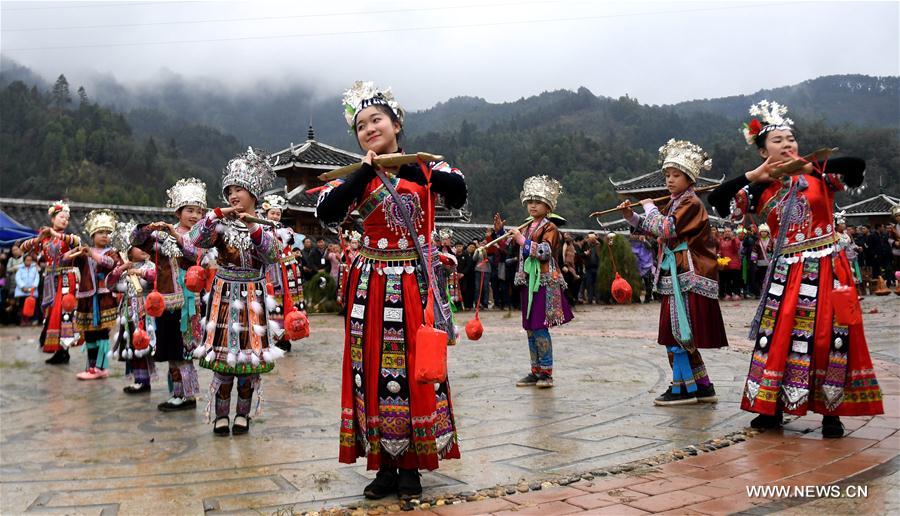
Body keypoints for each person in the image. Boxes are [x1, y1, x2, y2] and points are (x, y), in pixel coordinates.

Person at [314, 81, 466, 500]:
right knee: (371, 370)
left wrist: (418, 171)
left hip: (413, 282)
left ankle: (413, 465)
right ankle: (382, 464)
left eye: (376, 119)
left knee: (414, 367)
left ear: (397, 123)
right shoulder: (356, 178)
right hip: (370, 286)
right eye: (361, 125)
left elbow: (459, 190)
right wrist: (364, 171)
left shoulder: (426, 168)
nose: (369, 128)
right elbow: (324, 210)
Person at [709, 100, 883, 436]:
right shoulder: (760, 190)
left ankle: (830, 412)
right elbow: (718, 200)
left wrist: (807, 166)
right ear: (763, 151)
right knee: (777, 339)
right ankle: (771, 407)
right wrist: (753, 177)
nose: (787, 144)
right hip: (785, 274)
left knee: (829, 338)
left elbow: (857, 167)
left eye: (791, 139)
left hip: (828, 268)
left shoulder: (821, 175)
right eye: (778, 141)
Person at [621, 139, 727, 405]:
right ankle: (701, 386)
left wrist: (648, 208)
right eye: (667, 175)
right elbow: (656, 226)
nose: (669, 180)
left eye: (675, 175)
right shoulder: (677, 202)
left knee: (678, 333)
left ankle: (682, 388)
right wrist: (633, 218)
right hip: (676, 275)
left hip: (686, 275)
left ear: (689, 178)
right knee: (679, 332)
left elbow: (667, 229)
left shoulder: (689, 202)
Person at [186, 147, 284, 436]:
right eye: (229, 190)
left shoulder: (266, 228)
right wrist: (216, 214)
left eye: (239, 189)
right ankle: (220, 416)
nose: (233, 195)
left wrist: (253, 228)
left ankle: (242, 415)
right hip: (224, 295)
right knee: (223, 362)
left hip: (253, 296)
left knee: (248, 361)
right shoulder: (220, 226)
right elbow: (193, 242)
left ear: (253, 194)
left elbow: (274, 255)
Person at [132, 178, 208, 411]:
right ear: (178, 211)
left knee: (184, 353)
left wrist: (176, 235)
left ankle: (188, 395)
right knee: (172, 354)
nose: (194, 215)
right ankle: (177, 393)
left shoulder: (200, 237)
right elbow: (136, 241)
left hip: (189, 305)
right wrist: (150, 228)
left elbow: (195, 255)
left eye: (198, 211)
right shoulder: (162, 237)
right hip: (166, 303)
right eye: (189, 210)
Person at [496, 175, 573, 388]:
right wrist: (499, 233)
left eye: (537, 202)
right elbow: (508, 248)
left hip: (544, 282)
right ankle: (535, 369)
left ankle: (546, 372)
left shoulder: (550, 228)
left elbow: (545, 251)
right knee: (530, 327)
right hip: (527, 282)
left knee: (540, 327)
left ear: (547, 206)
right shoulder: (528, 226)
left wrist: (523, 241)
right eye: (529, 202)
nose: (532, 206)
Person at [63, 209, 123, 380]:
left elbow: (111, 264)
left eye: (107, 233)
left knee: (102, 333)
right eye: (101, 232)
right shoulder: (84, 253)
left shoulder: (112, 252)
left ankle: (101, 367)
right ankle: (91, 367)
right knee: (89, 334)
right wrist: (75, 250)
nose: (105, 236)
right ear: (92, 234)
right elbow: (64, 261)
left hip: (105, 299)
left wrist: (93, 254)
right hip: (87, 300)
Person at [19, 201, 82, 364]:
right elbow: (23, 248)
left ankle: (64, 349)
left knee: (64, 314)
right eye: (61, 217)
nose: (65, 221)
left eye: (67, 218)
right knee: (52, 313)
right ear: (53, 219)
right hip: (50, 281)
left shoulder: (67, 238)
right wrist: (39, 238)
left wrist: (54, 233)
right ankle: (58, 349)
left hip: (66, 279)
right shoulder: (45, 239)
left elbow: (77, 242)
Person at [107, 227, 158, 394]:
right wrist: (121, 268)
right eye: (138, 246)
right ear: (129, 251)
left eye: (144, 245)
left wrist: (139, 272)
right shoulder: (125, 269)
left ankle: (145, 380)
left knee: (144, 345)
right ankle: (139, 380)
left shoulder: (150, 266)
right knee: (132, 346)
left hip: (145, 313)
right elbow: (112, 285)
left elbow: (154, 278)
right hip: (128, 313)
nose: (143, 249)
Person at [260, 194, 307, 353]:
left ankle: (285, 337)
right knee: (271, 304)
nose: (275, 216)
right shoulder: (260, 230)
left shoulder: (285, 230)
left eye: (278, 213)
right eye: (272, 212)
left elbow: (291, 246)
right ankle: (270, 338)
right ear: (266, 213)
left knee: (285, 304)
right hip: (269, 272)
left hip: (286, 273)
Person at [717, 227, 742, 300]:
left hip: (734, 263)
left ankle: (737, 293)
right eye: (726, 231)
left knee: (735, 280)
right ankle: (728, 293)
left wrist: (733, 239)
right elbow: (720, 250)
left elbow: (735, 249)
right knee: (727, 280)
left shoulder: (736, 240)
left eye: (729, 231)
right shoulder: (721, 240)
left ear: (731, 232)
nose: (727, 232)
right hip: (725, 264)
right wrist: (718, 254)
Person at [14, 253, 40, 325]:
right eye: (27, 260)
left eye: (30, 260)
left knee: (33, 305)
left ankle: (33, 320)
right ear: (24, 261)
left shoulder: (35, 268)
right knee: (22, 306)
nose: (29, 261)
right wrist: (22, 287)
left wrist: (34, 286)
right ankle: (23, 320)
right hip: (22, 291)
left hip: (32, 290)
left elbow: (37, 278)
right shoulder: (20, 268)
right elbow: (18, 278)